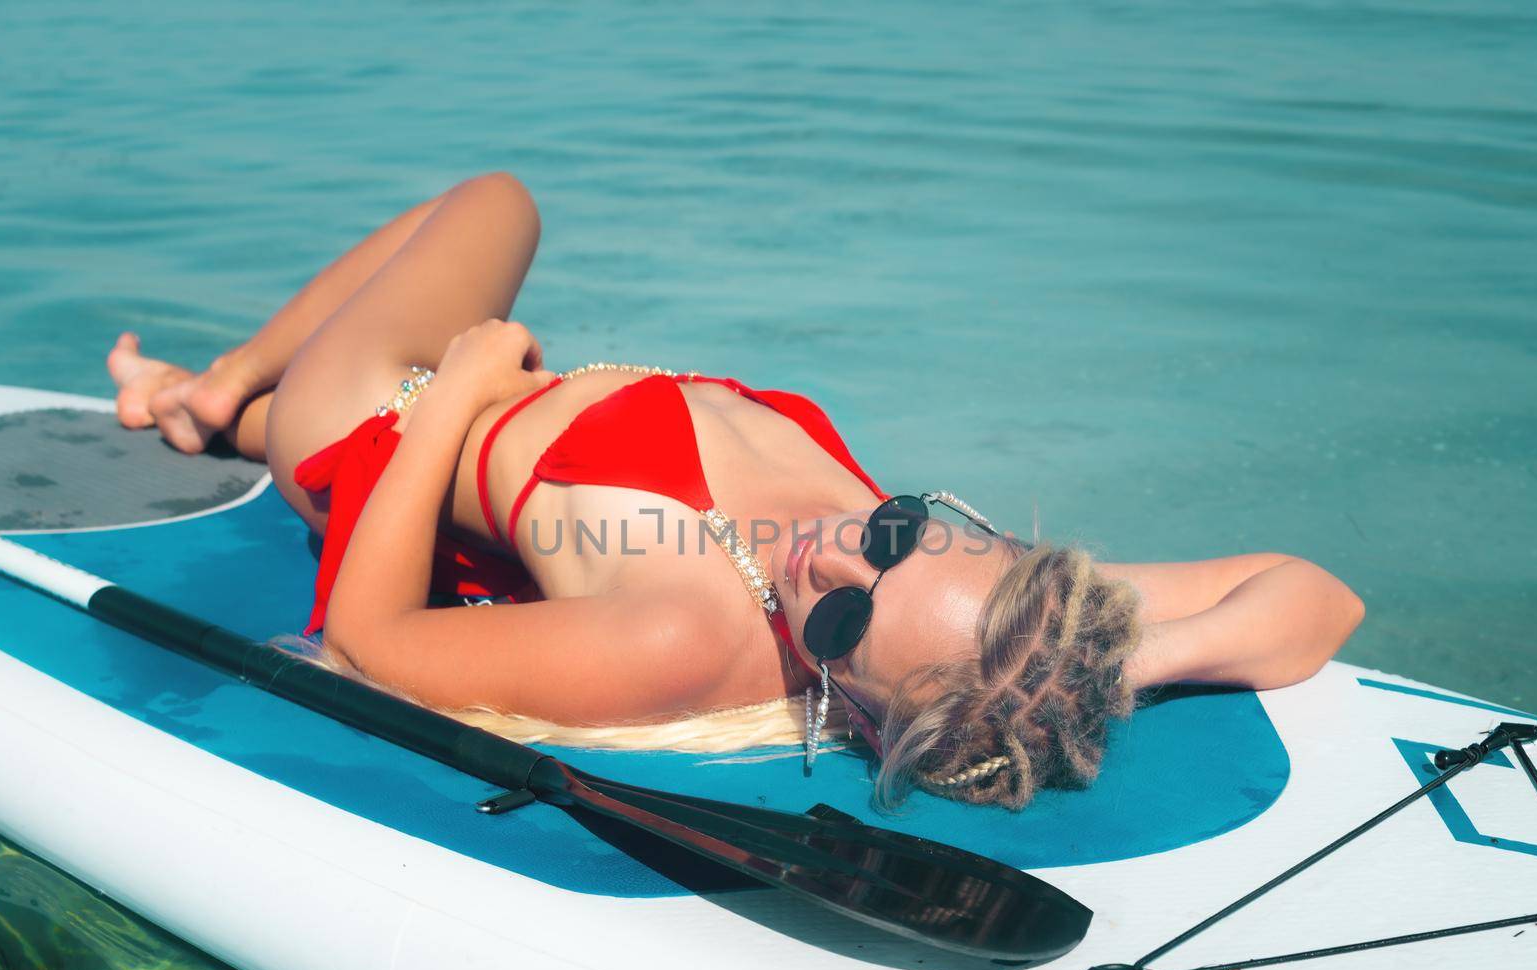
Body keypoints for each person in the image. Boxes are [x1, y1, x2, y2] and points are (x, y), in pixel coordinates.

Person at [107, 172, 1365, 810]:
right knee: (494, 213)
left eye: (838, 626)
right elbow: (1317, 599)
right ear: (982, 540)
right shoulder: (1005, 631)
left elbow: (370, 641)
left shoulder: (681, 636)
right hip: (512, 406)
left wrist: (458, 390)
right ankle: (211, 398)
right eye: (896, 534)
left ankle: (234, 403)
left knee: (493, 203)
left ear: (855, 712)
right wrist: (1108, 670)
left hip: (380, 429)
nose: (828, 559)